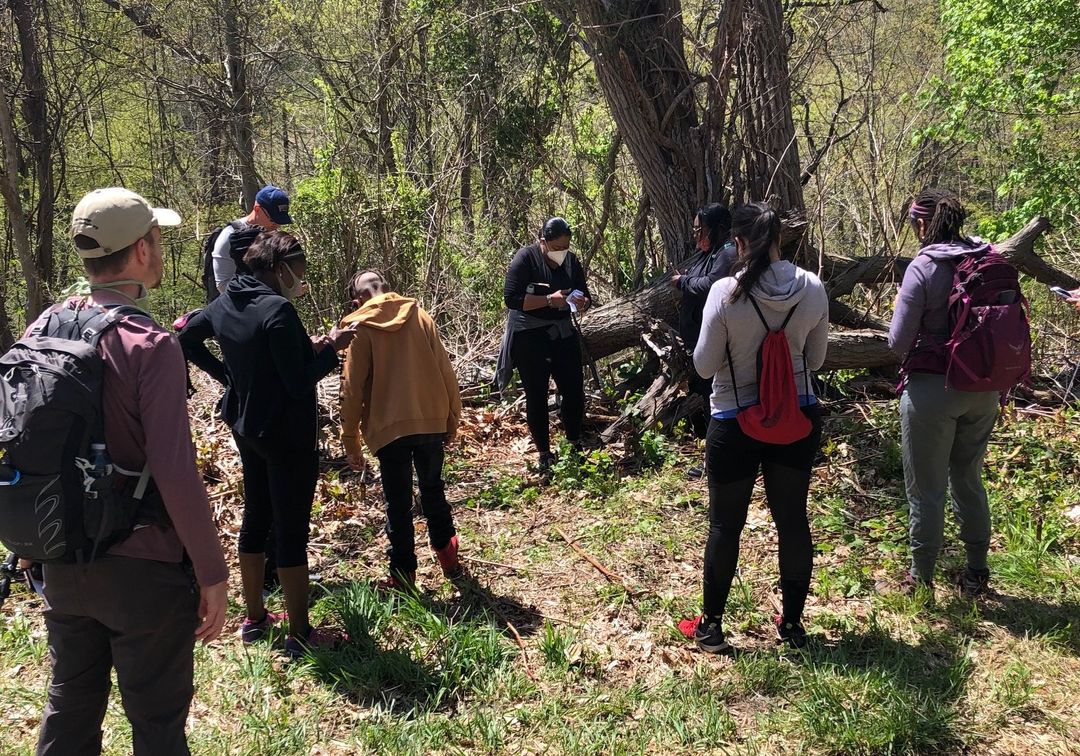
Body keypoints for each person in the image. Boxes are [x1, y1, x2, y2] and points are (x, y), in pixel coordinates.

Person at [33, 187, 229, 755]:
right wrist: (212, 574)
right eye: (159, 239)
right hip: (143, 571)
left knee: (69, 707)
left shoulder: (46, 326)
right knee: (157, 724)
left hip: (62, 562)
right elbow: (174, 471)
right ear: (142, 250)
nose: (162, 248)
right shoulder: (149, 344)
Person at [179, 230, 355, 658]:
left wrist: (228, 377)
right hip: (287, 434)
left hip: (247, 428)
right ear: (279, 269)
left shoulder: (226, 301)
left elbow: (186, 338)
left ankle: (255, 619)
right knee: (291, 528)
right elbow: (297, 381)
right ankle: (300, 634)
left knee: (256, 516)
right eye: (300, 269)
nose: (303, 276)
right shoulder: (278, 309)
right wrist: (332, 350)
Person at [681, 202, 829, 653]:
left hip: (733, 419)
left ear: (740, 244)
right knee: (792, 521)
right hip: (797, 416)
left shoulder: (725, 292)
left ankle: (712, 628)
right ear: (780, 239)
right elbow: (817, 360)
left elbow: (704, 367)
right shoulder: (813, 288)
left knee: (726, 524)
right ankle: (794, 627)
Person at [884, 188, 1001, 598]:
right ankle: (976, 572)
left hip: (933, 390)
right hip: (985, 388)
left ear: (922, 223)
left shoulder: (924, 266)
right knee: (968, 478)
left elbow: (898, 342)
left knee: (926, 487)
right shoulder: (987, 256)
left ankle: (920, 578)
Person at [339, 271, 463, 590]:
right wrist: (452, 417)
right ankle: (447, 554)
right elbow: (445, 370)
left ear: (357, 300)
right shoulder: (420, 315)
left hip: (388, 428)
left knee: (398, 503)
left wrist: (349, 438)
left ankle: (403, 575)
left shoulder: (360, 328)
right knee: (433, 488)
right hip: (430, 419)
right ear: (389, 291)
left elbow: (351, 389)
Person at [497, 217, 592, 471]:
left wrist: (582, 302)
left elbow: (584, 293)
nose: (562, 252)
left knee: (573, 391)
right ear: (544, 243)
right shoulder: (525, 259)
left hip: (563, 334)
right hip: (530, 337)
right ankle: (544, 454)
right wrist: (549, 300)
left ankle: (573, 444)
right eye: (557, 247)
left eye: (566, 247)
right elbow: (512, 299)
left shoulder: (571, 262)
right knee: (536, 395)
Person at [672, 204, 738, 471]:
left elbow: (714, 284)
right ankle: (712, 454)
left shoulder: (728, 252)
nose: (697, 233)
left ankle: (718, 459)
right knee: (705, 394)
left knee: (717, 397)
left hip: (717, 343)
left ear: (718, 227)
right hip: (698, 340)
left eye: (701, 228)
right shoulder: (707, 253)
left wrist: (683, 282)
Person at [205, 184, 293, 298]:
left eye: (280, 221)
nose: (276, 225)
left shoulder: (271, 234)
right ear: (257, 209)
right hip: (235, 310)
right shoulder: (229, 236)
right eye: (272, 219)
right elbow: (222, 285)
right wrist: (258, 301)